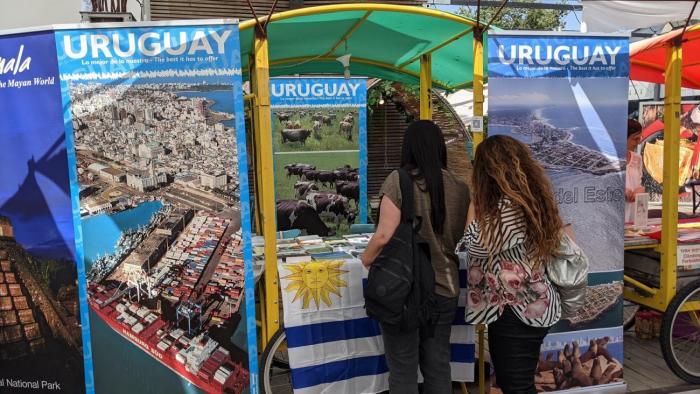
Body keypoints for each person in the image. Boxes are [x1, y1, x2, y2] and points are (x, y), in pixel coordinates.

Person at [361, 120, 470, 394]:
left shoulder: (399, 180)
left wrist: (365, 259)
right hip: (445, 287)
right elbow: (462, 237)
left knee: (403, 367)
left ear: (408, 147)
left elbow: (384, 235)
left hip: (405, 291)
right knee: (437, 365)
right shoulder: (460, 187)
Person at [457, 135, 562, 394]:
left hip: (518, 311)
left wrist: (474, 204)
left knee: (516, 386)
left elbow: (473, 246)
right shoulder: (521, 201)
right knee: (516, 383)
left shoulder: (508, 208)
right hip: (524, 308)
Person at [625, 119, 645, 223]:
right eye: (635, 139)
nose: (638, 142)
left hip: (634, 213)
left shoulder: (637, 159)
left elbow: (639, 183)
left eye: (639, 138)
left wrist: (640, 190)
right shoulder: (609, 159)